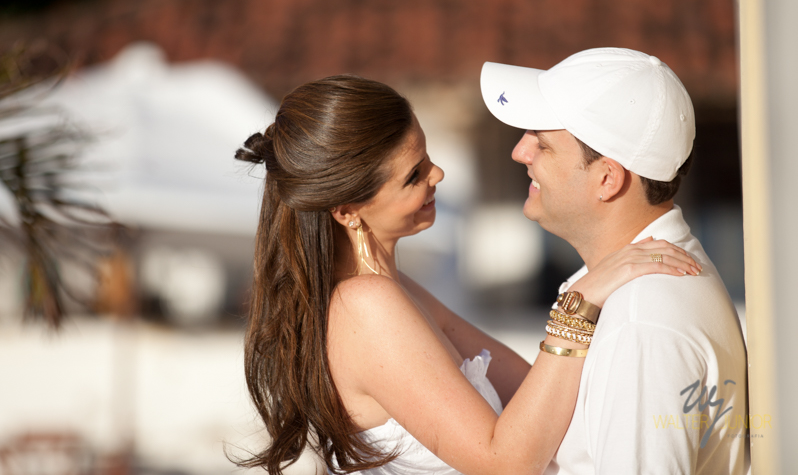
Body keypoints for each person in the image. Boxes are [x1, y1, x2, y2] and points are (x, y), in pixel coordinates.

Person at [234, 75, 701, 475]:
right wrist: (580, 300)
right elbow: (505, 463)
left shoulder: (390, 290)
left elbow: (525, 390)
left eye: (427, 155)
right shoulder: (366, 304)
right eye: (413, 176)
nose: (437, 174)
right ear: (347, 210)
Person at [480, 47, 748, 474]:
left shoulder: (641, 322)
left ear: (607, 179)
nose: (520, 152)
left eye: (542, 144)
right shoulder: (639, 294)